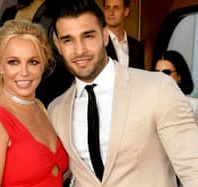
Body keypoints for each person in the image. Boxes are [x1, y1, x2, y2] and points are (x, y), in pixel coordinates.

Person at [47, 0, 198, 186]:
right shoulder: (56, 110)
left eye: (88, 36)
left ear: (104, 36)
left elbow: (193, 168)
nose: (80, 50)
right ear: (58, 45)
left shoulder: (158, 88)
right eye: (68, 40)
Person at [0, 20, 68, 187]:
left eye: (33, 62)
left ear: (43, 65)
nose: (24, 72)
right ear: (0, 66)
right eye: (13, 62)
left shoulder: (41, 109)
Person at [152, 50, 198, 121]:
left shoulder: (194, 106)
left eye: (166, 72)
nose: (160, 76)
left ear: (179, 76)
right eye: (156, 72)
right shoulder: (148, 103)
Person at [103, 0, 145, 69]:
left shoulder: (137, 46)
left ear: (126, 11)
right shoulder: (98, 42)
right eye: (107, 8)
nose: (111, 13)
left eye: (116, 8)